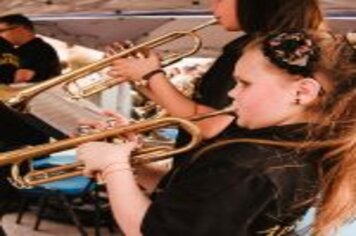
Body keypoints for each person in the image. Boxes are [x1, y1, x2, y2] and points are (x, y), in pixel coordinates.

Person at [77, 31, 356, 235]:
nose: (232, 93)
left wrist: (113, 167)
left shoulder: (247, 164)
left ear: (303, 91)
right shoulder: (312, 145)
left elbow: (152, 230)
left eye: (244, 84)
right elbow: (201, 201)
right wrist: (131, 165)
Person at [0, 14, 61, 83]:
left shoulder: (38, 49)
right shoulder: (22, 50)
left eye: (1, 31)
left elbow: (22, 77)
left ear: (20, 29)